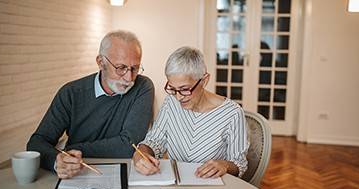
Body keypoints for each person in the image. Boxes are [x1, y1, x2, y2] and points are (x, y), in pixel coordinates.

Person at [27, 30, 154, 179]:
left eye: (135, 68)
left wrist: (71, 149)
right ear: (101, 62)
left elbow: (129, 146)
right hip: (78, 174)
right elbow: (36, 143)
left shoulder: (143, 86)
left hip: (125, 173)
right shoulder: (71, 93)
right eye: (121, 68)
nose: (129, 78)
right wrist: (58, 161)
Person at [132, 46, 248, 178]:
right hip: (175, 184)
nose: (179, 97)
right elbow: (154, 141)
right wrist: (140, 153)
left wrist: (225, 165)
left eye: (185, 89)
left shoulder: (232, 113)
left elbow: (240, 164)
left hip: (212, 186)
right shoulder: (171, 102)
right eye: (172, 88)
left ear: (204, 80)